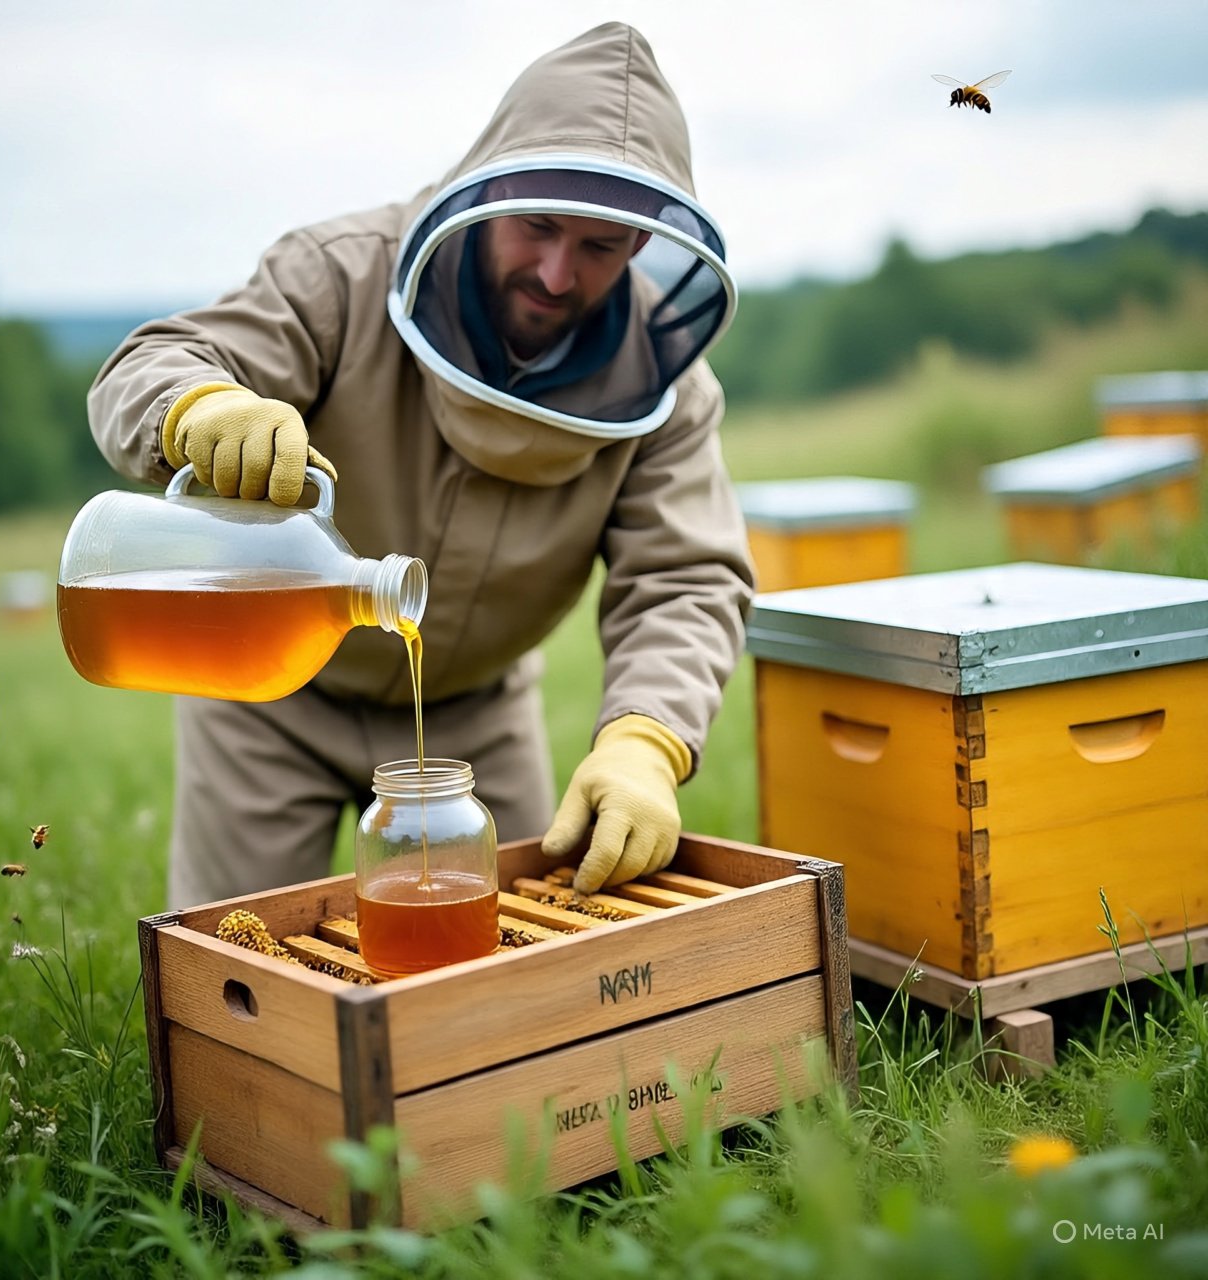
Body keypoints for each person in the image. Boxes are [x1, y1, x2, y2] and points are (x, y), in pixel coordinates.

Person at [87, 21, 754, 909]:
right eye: (538, 227)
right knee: (230, 956)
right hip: (268, 697)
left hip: (476, 710)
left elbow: (684, 576)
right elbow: (149, 364)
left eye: (598, 246)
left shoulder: (666, 392)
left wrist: (646, 739)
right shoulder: (340, 277)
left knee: (510, 953)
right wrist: (199, 407)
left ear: (638, 246)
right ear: (491, 185)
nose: (557, 274)